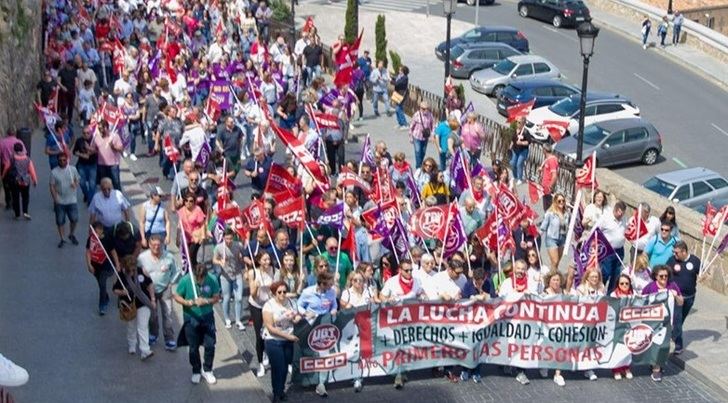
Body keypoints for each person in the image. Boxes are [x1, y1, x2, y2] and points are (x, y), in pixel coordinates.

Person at [173, 263, 222, 385]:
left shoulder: (212, 279)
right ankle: (196, 370)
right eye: (197, 278)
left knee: (210, 344)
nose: (199, 281)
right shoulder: (185, 280)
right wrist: (188, 302)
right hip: (191, 317)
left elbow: (216, 297)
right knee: (193, 347)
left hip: (207, 316)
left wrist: (206, 300)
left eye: (202, 278)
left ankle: (208, 369)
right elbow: (177, 296)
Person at [380, 260, 423, 389]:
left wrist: (424, 296)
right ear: (400, 270)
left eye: (411, 270)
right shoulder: (392, 282)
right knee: (398, 346)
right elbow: (381, 296)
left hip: (411, 320)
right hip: (395, 319)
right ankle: (398, 375)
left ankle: (402, 371)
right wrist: (388, 300)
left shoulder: (416, 281)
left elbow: (421, 292)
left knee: (406, 346)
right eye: (406, 270)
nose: (409, 273)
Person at [298, 271, 338, 397]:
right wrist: (305, 313)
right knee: (309, 353)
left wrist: (333, 310)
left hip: (324, 327)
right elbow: (298, 305)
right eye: (328, 285)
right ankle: (307, 378)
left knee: (324, 353)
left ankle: (321, 384)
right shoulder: (308, 292)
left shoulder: (331, 292)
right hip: (310, 326)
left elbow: (334, 304)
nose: (331, 288)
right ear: (321, 284)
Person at [642, 264, 684, 382]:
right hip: (653, 322)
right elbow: (641, 301)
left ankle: (657, 364)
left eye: (666, 276)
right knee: (656, 344)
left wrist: (676, 296)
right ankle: (656, 369)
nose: (664, 278)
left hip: (668, 322)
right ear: (655, 276)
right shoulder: (650, 287)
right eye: (661, 276)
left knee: (664, 346)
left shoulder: (672, 286)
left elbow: (681, 302)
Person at [138, 235, 178, 351]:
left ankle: (169, 339)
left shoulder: (169, 257)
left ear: (162, 244)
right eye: (154, 245)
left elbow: (176, 272)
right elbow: (137, 273)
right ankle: (153, 334)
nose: (156, 247)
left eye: (158, 245)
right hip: (149, 292)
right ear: (149, 245)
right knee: (152, 315)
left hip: (165, 289)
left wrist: (171, 282)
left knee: (168, 315)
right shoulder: (142, 258)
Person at [263, 281, 302, 402]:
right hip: (274, 340)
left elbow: (296, 318)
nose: (282, 294)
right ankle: (276, 394)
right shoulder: (268, 306)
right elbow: (270, 328)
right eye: (279, 292)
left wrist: (297, 318)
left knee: (285, 367)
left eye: (284, 291)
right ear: (274, 293)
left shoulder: (291, 302)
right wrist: (288, 336)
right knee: (277, 367)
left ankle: (281, 390)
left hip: (287, 340)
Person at [113, 255, 156, 361]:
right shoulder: (121, 275)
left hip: (143, 303)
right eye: (130, 270)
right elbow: (114, 289)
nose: (132, 271)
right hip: (129, 305)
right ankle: (132, 343)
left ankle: (145, 350)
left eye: (133, 269)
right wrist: (122, 292)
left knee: (143, 326)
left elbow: (150, 284)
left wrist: (152, 299)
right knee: (131, 326)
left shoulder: (141, 271)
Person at [498, 260, 533, 384]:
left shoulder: (531, 283)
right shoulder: (507, 283)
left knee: (523, 345)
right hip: (510, 320)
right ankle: (507, 363)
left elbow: (537, 299)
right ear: (514, 269)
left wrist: (529, 295)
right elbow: (501, 299)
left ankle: (521, 372)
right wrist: (517, 294)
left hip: (526, 321)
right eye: (518, 268)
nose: (520, 271)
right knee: (511, 344)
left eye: (523, 269)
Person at [340, 270, 374, 392]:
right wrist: (346, 305)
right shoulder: (346, 293)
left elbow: (376, 302)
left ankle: (361, 374)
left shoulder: (368, 291)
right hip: (352, 328)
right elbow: (342, 305)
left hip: (367, 326)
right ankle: (356, 378)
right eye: (355, 280)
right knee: (355, 353)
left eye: (361, 280)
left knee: (365, 351)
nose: (358, 282)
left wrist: (374, 301)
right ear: (351, 281)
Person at [665, 240, 700, 354]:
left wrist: (702, 278)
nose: (675, 255)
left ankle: (673, 334)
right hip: (677, 297)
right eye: (674, 252)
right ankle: (679, 345)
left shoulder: (695, 261)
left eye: (677, 253)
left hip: (690, 297)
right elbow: (665, 275)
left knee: (681, 320)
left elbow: (701, 273)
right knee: (677, 321)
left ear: (684, 252)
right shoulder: (671, 261)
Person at [248, 251, 276, 378]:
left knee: (270, 332)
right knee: (259, 335)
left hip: (269, 305)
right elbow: (253, 294)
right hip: (256, 305)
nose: (267, 262)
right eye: (264, 260)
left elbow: (277, 289)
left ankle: (268, 352)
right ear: (259, 261)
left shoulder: (274, 270)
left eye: (268, 259)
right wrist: (256, 287)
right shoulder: (253, 272)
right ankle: (260, 364)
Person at [213, 229, 246, 331]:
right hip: (225, 275)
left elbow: (244, 255)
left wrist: (241, 258)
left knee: (239, 298)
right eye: (227, 238)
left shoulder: (238, 245)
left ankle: (238, 320)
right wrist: (219, 262)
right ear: (223, 238)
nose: (229, 241)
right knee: (226, 297)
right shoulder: (219, 247)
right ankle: (227, 318)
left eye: (231, 238)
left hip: (237, 274)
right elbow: (214, 259)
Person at [575, 267, 604, 380]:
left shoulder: (601, 288)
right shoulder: (581, 288)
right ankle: (580, 363)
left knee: (591, 344)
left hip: (596, 321)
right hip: (583, 321)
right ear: (587, 277)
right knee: (582, 343)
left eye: (596, 277)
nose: (594, 279)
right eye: (592, 276)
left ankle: (588, 368)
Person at [539, 271, 568, 386]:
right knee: (548, 348)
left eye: (558, 280)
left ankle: (557, 374)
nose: (556, 282)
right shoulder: (544, 293)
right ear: (549, 281)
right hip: (547, 325)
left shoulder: (564, 292)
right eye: (553, 280)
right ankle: (545, 366)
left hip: (561, 325)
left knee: (560, 348)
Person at [49, 153, 80, 248]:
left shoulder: (72, 169)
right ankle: (62, 238)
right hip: (60, 200)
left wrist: (75, 184)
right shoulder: (54, 172)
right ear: (58, 161)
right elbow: (52, 186)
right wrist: (55, 198)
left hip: (72, 199)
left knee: (74, 219)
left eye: (64, 160)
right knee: (60, 221)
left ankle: (71, 234)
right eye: (60, 160)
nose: (62, 162)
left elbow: (77, 179)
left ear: (67, 160)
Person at [86, 221, 115, 315]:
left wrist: (117, 264)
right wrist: (89, 265)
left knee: (102, 283)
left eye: (96, 231)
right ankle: (105, 296)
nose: (94, 233)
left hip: (106, 266)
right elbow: (88, 252)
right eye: (93, 231)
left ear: (101, 230)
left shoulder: (107, 239)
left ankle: (102, 305)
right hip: (96, 266)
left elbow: (113, 251)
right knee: (100, 284)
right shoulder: (91, 238)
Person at [2, 143, 38, 220]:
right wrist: (34, 180)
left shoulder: (12, 158)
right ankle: (25, 212)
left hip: (15, 181)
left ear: (14, 149)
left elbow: (6, 167)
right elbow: (32, 170)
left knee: (15, 197)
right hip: (25, 181)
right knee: (25, 197)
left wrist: (3, 175)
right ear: (22, 149)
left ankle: (17, 213)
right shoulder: (27, 159)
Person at [597, 201, 627, 293]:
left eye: (622, 213)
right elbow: (595, 231)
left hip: (620, 251)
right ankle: (600, 291)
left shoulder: (624, 220)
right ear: (615, 210)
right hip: (608, 250)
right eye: (619, 213)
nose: (621, 215)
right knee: (606, 273)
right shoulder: (606, 218)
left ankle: (611, 295)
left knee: (616, 274)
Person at [610, 274, 635, 380]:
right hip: (617, 326)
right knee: (617, 348)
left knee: (628, 348)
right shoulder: (613, 295)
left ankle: (626, 367)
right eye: (622, 283)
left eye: (627, 283)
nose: (624, 285)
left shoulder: (633, 295)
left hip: (629, 326)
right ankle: (616, 369)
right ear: (618, 284)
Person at [178, 191, 207, 267]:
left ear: (194, 202)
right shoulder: (181, 211)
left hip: (196, 236)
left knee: (190, 255)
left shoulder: (197, 210)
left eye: (191, 201)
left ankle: (194, 270)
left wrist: (203, 236)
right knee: (191, 257)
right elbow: (179, 224)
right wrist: (178, 237)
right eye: (186, 200)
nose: (188, 203)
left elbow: (202, 224)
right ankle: (196, 269)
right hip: (187, 237)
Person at [540, 193, 568, 270]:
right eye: (559, 201)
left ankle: (552, 278)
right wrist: (537, 235)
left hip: (562, 239)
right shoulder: (550, 213)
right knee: (555, 261)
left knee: (556, 263)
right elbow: (543, 226)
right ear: (555, 202)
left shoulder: (566, 214)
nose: (561, 202)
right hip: (551, 239)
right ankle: (552, 278)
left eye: (563, 201)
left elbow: (569, 226)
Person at [0, 129, 25, 210]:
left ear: (7, 134)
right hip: (16, 166)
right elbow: (24, 153)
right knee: (15, 184)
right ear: (14, 134)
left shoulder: (2, 142)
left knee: (6, 184)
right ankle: (15, 200)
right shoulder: (19, 142)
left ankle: (8, 202)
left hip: (5, 166)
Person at [72, 126, 98, 205]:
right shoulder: (79, 140)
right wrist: (81, 154)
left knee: (92, 184)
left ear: (91, 133)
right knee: (82, 183)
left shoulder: (95, 140)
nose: (86, 134)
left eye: (88, 133)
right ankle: (87, 195)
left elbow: (98, 151)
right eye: (84, 133)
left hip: (92, 165)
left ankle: (90, 202)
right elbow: (74, 151)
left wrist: (89, 149)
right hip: (82, 165)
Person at [408, 101, 435, 169]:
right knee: (418, 152)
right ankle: (418, 167)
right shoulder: (416, 115)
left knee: (423, 152)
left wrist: (432, 134)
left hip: (425, 137)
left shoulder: (430, 115)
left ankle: (420, 164)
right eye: (423, 108)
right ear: (420, 108)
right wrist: (410, 137)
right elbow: (411, 126)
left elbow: (433, 125)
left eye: (426, 108)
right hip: (416, 136)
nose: (425, 110)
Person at [537, 144, 558, 210]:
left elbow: (554, 176)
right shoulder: (547, 159)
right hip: (545, 187)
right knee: (546, 207)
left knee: (549, 207)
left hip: (548, 187)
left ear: (544, 150)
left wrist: (550, 186)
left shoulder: (551, 160)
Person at [509, 118, 530, 185]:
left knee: (519, 164)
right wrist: (510, 147)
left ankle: (520, 178)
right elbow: (513, 139)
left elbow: (528, 142)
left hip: (523, 151)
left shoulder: (526, 132)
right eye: (517, 122)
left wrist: (521, 143)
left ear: (523, 124)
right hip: (515, 150)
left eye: (519, 122)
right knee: (512, 163)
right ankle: (515, 177)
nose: (517, 123)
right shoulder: (516, 130)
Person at [392, 65, 409, 129]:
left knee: (399, 108)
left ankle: (404, 124)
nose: (399, 71)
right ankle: (400, 123)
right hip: (397, 93)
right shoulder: (399, 76)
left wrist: (390, 80)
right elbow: (396, 79)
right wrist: (391, 78)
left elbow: (397, 83)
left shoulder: (405, 78)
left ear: (403, 71)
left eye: (400, 70)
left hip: (401, 94)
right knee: (397, 108)